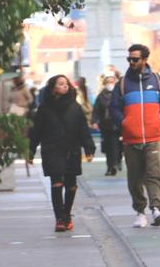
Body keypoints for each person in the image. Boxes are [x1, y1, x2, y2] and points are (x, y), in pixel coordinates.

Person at [110, 44, 160, 227]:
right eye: (129, 59)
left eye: (135, 59)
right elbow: (114, 108)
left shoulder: (157, 81)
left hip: (154, 137)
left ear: (145, 60)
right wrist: (124, 123)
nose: (131, 62)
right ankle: (140, 211)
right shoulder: (122, 84)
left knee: (154, 174)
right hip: (131, 138)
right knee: (135, 177)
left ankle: (156, 209)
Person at [28, 75, 95, 232]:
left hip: (71, 149)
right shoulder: (44, 108)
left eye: (66, 84)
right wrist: (30, 151)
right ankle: (59, 219)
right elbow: (36, 131)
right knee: (57, 183)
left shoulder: (75, 107)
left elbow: (83, 129)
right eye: (60, 84)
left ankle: (67, 214)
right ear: (53, 89)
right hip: (52, 149)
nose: (65, 86)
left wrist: (88, 148)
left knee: (71, 186)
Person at [92, 75, 122, 175]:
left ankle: (114, 164)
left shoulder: (119, 95)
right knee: (107, 147)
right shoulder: (101, 96)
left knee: (116, 145)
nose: (110, 84)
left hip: (117, 125)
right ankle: (111, 165)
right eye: (108, 82)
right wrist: (95, 121)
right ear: (104, 84)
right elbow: (96, 110)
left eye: (112, 82)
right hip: (105, 125)